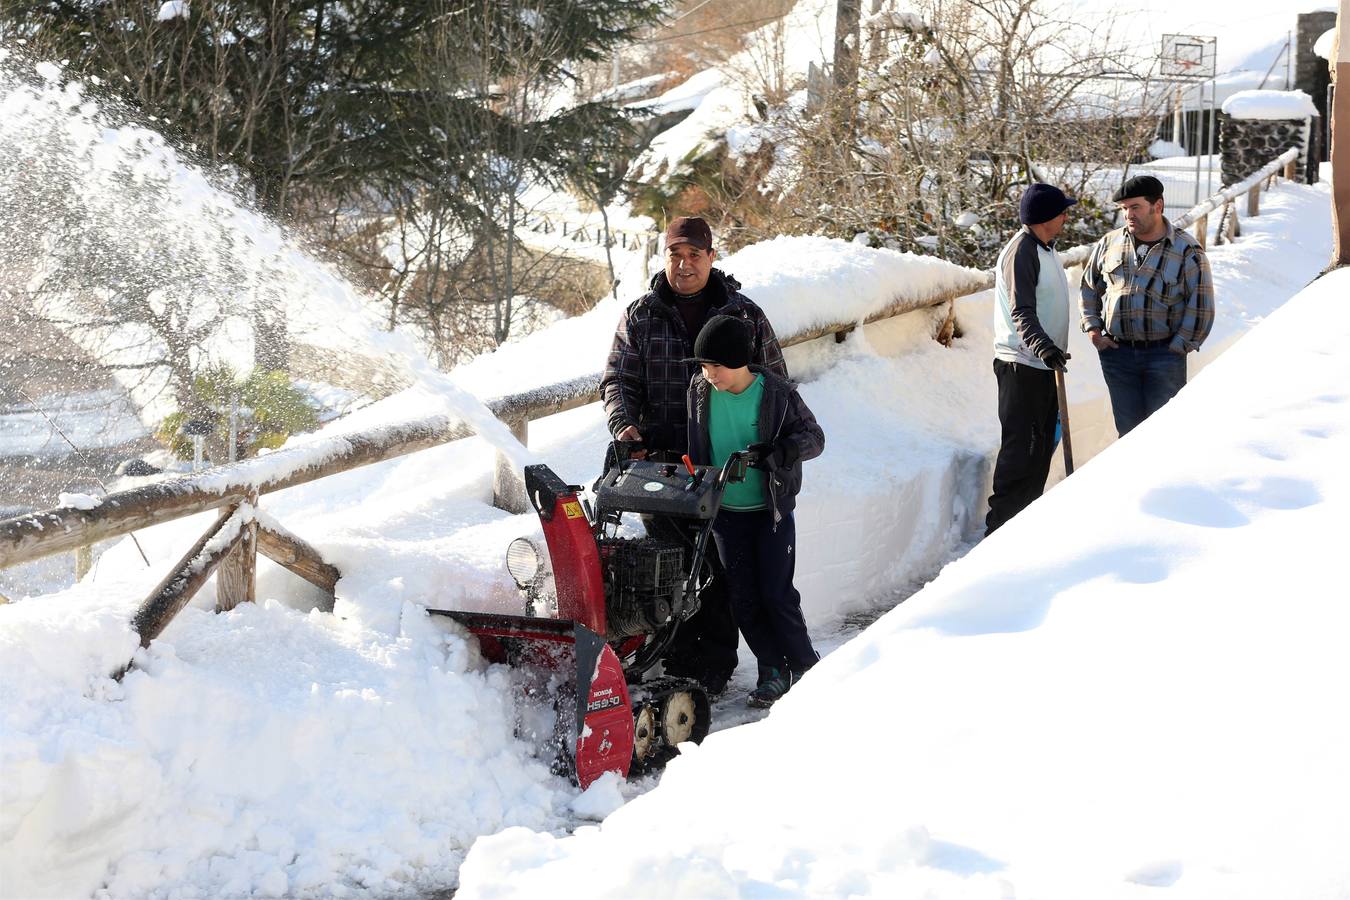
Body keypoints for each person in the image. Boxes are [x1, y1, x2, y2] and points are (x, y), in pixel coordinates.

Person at [601, 216, 788, 695]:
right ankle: (675, 658)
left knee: (720, 567)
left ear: (711, 257)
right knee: (670, 563)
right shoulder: (641, 315)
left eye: (694, 256)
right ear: (664, 257)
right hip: (661, 463)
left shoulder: (743, 315)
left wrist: (763, 446)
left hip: (724, 466)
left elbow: (776, 385)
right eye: (675, 255)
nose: (684, 265)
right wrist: (624, 423)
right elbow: (618, 379)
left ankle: (713, 666)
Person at [684, 315, 825, 707]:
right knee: (743, 598)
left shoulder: (777, 394)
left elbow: (814, 438)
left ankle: (808, 666)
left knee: (777, 594)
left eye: (716, 365)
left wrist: (781, 452)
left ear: (738, 360)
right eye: (703, 366)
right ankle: (772, 669)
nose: (709, 374)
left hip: (769, 511)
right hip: (725, 513)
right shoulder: (699, 391)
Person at [1080, 175, 1214, 437]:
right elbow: (1088, 287)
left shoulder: (1187, 250)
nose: (1128, 215)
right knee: (1128, 435)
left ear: (1158, 206)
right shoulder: (1109, 243)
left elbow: (1202, 305)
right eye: (1124, 208)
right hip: (1117, 355)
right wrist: (1094, 330)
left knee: (1162, 435)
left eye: (1135, 207)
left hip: (1164, 357)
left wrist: (1177, 348)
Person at [985, 183, 1076, 536]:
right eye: (1062, 212)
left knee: (1039, 452)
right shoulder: (1022, 252)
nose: (1066, 217)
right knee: (1021, 453)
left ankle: (1023, 531)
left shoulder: (1045, 249)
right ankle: (999, 532)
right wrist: (1044, 347)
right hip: (1021, 366)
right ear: (1044, 218)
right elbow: (1021, 311)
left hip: (1042, 365)